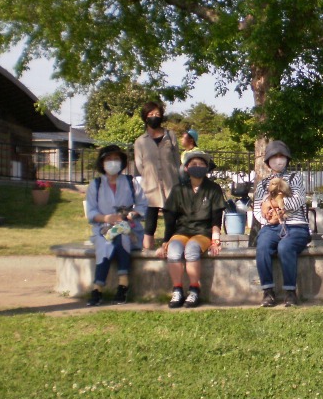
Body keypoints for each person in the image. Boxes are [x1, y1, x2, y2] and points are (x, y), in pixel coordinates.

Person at [158, 150, 225, 308]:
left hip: (203, 232)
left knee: (192, 249)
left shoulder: (213, 189)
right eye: (194, 164)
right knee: (174, 250)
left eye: (201, 164)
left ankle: (194, 289)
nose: (198, 166)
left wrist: (215, 240)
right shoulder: (178, 189)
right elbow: (170, 217)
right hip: (181, 231)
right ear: (186, 168)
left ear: (207, 168)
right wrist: (166, 241)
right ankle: (177, 290)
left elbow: (217, 217)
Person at [84, 145, 148, 306]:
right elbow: (91, 212)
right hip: (104, 229)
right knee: (105, 244)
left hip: (129, 228)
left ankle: (120, 285)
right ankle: (99, 287)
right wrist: (106, 217)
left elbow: (143, 205)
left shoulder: (131, 182)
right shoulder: (96, 184)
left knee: (123, 238)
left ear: (122, 162)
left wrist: (133, 214)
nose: (112, 162)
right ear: (102, 162)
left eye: (116, 159)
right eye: (108, 159)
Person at [253, 140, 312, 307]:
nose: (278, 160)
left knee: (285, 247)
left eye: (282, 156)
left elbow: (299, 199)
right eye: (274, 157)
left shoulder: (295, 178)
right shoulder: (262, 184)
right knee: (263, 246)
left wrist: (278, 204)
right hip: (271, 226)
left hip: (296, 225)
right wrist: (267, 218)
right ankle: (268, 291)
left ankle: (290, 292)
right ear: (268, 161)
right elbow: (257, 207)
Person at [133, 100, 181, 251]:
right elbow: (139, 165)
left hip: (170, 184)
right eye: (151, 114)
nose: (154, 116)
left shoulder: (170, 136)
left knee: (171, 220)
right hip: (150, 186)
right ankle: (148, 250)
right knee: (150, 222)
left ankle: (169, 248)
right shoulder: (140, 141)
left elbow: (176, 160)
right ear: (145, 117)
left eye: (157, 114)